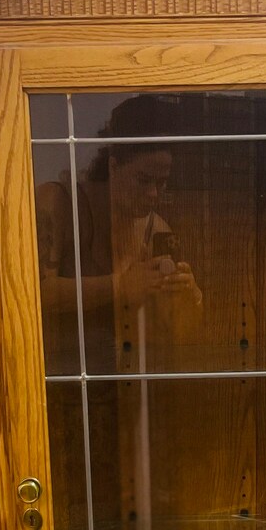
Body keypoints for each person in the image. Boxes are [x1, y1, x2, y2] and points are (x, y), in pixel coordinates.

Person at [34, 93, 202, 371]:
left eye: (162, 183)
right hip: (55, 381)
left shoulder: (157, 229)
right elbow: (31, 295)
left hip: (125, 385)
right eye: (143, 180)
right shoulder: (57, 203)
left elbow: (179, 333)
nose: (152, 194)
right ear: (113, 166)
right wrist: (120, 286)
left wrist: (190, 296)